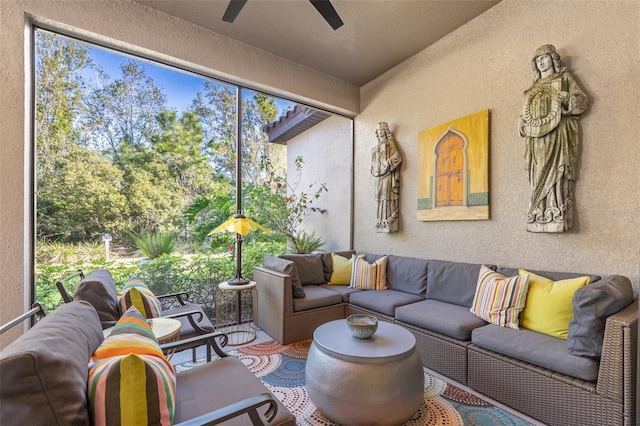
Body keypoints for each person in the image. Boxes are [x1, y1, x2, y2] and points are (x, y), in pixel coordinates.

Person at [518, 44, 589, 233]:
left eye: (544, 57)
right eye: (537, 60)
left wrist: (567, 98)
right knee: (536, 173)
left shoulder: (564, 78)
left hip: (557, 136)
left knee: (556, 174)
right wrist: (521, 123)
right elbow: (525, 114)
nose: (541, 62)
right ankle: (539, 211)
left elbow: (581, 100)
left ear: (553, 59)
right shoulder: (532, 89)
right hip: (535, 141)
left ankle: (555, 209)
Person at [371, 122, 402, 233]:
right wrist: (375, 169)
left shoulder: (390, 143)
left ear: (385, 130)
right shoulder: (375, 148)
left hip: (388, 175)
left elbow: (397, 156)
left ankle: (389, 220)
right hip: (378, 177)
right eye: (378, 130)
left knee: (387, 197)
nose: (380, 131)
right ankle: (381, 221)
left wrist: (387, 164)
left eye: (382, 129)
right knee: (380, 199)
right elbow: (373, 164)